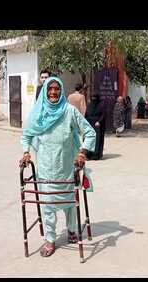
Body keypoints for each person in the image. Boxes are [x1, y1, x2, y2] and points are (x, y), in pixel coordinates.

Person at [20, 77, 96, 257]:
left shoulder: (69, 111)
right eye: (50, 89)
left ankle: (71, 229)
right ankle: (50, 238)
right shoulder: (38, 112)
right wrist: (26, 152)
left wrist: (82, 153)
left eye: (56, 89)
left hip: (66, 166)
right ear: (45, 92)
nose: (53, 92)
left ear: (61, 91)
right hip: (45, 168)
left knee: (69, 202)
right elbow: (26, 136)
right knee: (47, 204)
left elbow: (90, 132)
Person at [85, 95, 105, 160]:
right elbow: (86, 115)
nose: (94, 100)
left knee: (97, 139)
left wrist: (99, 121)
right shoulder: (89, 105)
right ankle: (88, 154)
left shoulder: (101, 106)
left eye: (95, 98)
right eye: (92, 98)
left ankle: (96, 155)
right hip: (89, 124)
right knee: (89, 139)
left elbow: (103, 115)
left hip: (97, 125)